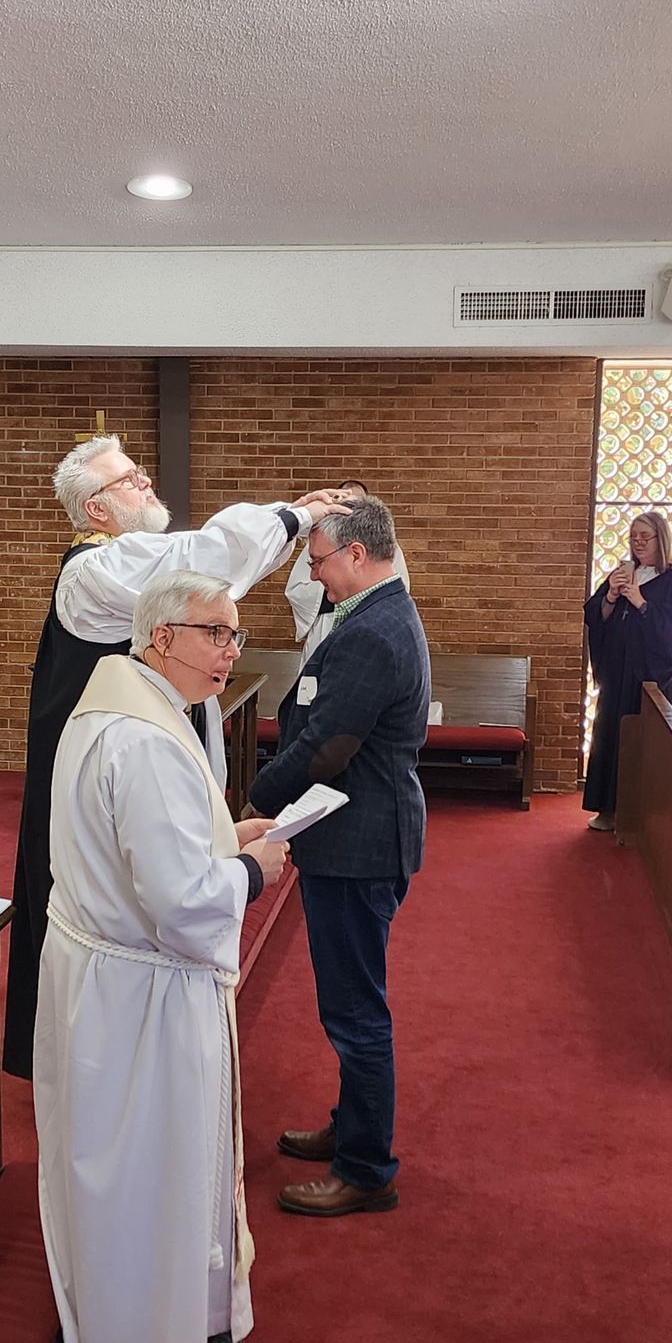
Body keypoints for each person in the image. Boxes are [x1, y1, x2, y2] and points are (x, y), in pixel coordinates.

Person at [3, 434, 348, 1077]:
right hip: (97, 778)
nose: (145, 483)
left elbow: (204, 571)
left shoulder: (129, 560)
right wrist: (293, 517)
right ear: (96, 510)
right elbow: (198, 559)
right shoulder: (92, 569)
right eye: (128, 480)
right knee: (106, 906)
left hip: (134, 774)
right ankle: (83, 1054)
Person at [34, 571, 289, 1343]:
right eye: (213, 632)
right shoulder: (144, 738)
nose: (228, 652)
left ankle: (120, 1329)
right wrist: (250, 870)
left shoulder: (116, 706)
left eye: (235, 635)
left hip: (104, 982)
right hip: (144, 997)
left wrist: (223, 834)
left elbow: (146, 844)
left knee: (112, 1168)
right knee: (154, 1174)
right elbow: (180, 904)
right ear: (159, 637)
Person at [249, 498, 429, 1217]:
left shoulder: (373, 632)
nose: (315, 575)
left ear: (357, 554)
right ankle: (350, 1125)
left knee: (355, 1010)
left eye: (318, 560)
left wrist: (256, 798)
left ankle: (365, 1166)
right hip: (362, 830)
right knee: (349, 1002)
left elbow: (328, 742)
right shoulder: (378, 614)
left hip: (359, 841)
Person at [582, 511, 672, 831]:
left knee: (641, 744)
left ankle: (640, 815)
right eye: (634, 537)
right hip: (617, 674)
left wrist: (641, 603)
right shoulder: (622, 573)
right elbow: (594, 616)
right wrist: (611, 595)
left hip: (646, 678)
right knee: (609, 735)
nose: (638, 543)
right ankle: (607, 808)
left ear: (662, 539)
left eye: (645, 537)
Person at [284, 480, 411, 665]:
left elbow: (397, 592)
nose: (314, 574)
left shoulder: (386, 546)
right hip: (325, 626)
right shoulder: (321, 542)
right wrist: (329, 594)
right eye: (344, 500)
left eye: (356, 501)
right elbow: (296, 590)